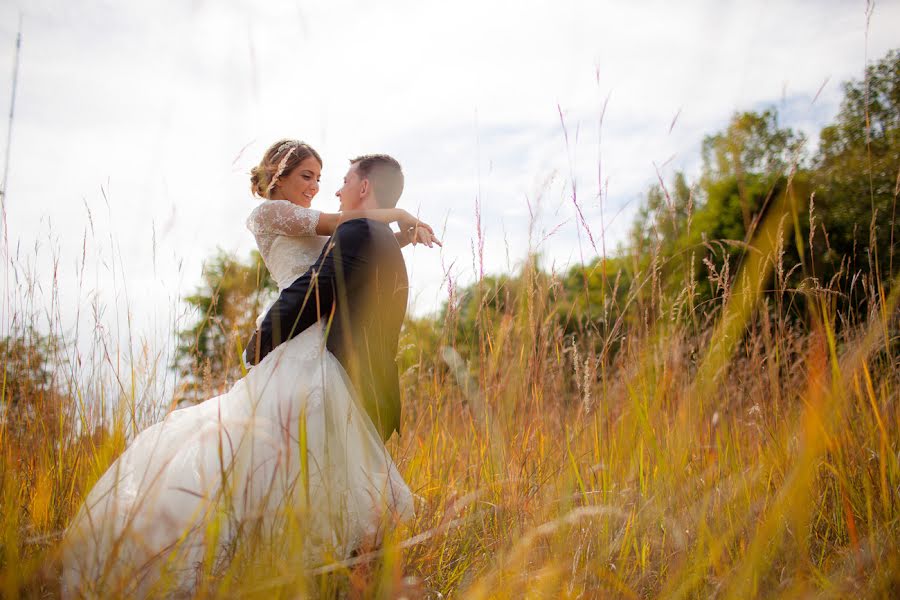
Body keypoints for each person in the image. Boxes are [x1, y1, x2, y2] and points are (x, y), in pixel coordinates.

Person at [60, 140, 437, 598]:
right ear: (278, 175)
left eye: (322, 178)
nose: (317, 187)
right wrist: (399, 216)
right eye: (307, 176)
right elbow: (345, 228)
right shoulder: (269, 215)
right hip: (293, 334)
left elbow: (346, 257)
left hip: (317, 340)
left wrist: (398, 239)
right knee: (268, 445)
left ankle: (320, 567)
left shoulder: (342, 224)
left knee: (317, 450)